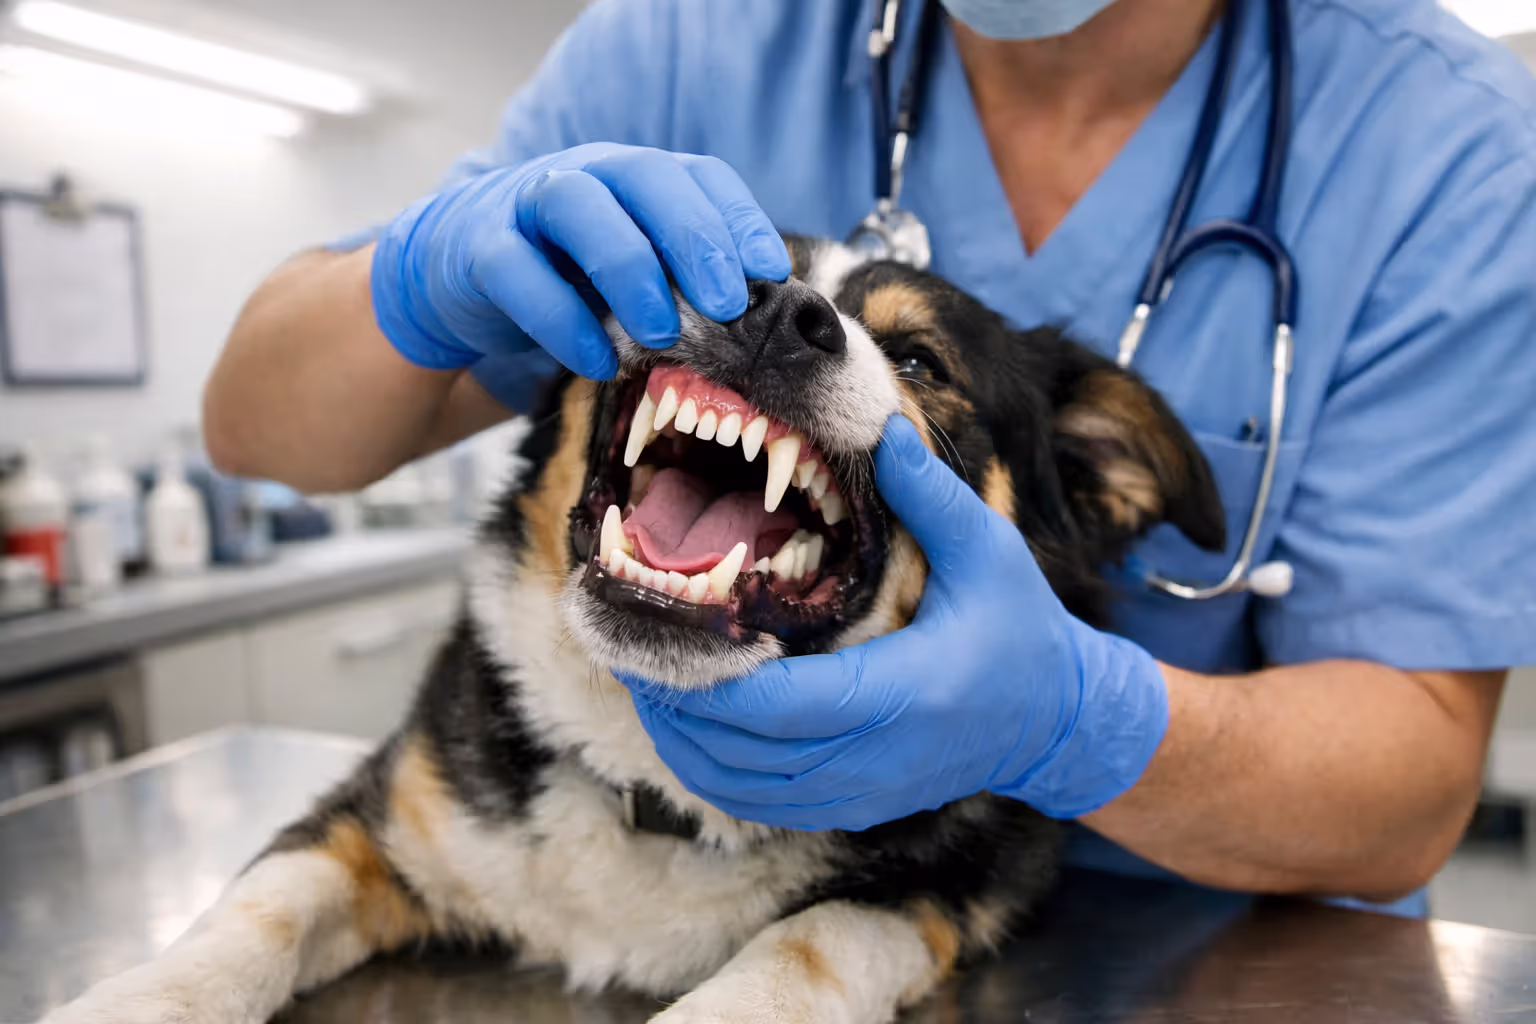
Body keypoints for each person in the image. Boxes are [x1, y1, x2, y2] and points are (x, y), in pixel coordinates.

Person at [205, 0, 1536, 915]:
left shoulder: (1440, 145)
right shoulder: (697, 38)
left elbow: (1409, 790)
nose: (798, 329)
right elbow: (258, 431)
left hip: (1199, 939)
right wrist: (422, 275)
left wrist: (1077, 726)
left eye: (912, 361)